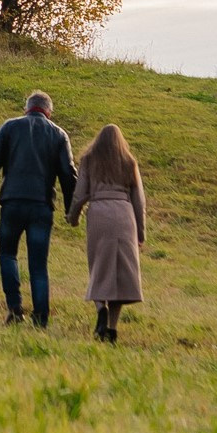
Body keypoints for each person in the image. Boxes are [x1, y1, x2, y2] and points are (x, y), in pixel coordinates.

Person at [0, 90, 77, 326]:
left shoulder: (9, 127)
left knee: (8, 254)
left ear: (26, 108)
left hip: (12, 201)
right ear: (49, 112)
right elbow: (68, 174)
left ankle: (15, 309)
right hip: (42, 206)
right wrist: (70, 209)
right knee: (38, 263)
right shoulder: (59, 134)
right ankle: (41, 316)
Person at [67, 123, 146, 343]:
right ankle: (111, 328)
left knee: (99, 267)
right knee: (121, 274)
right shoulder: (129, 162)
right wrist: (140, 233)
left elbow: (80, 194)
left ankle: (100, 307)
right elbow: (139, 201)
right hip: (124, 216)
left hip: (99, 215)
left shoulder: (89, 159)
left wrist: (73, 217)